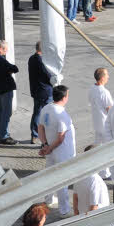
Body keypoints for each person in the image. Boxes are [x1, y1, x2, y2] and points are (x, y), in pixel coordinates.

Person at [38, 85, 76, 216]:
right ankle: (64, 209)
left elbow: (40, 128)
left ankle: (48, 199)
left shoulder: (46, 108)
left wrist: (45, 145)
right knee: (62, 180)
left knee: (49, 175)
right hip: (62, 151)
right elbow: (61, 138)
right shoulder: (62, 115)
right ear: (64, 97)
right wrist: (49, 148)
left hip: (50, 150)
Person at [0, 40, 19, 145]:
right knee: (6, 113)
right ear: (1, 49)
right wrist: (9, 70)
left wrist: (8, 70)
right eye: (6, 49)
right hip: (6, 88)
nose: (7, 51)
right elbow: (15, 68)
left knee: (0, 111)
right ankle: (4, 136)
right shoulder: (1, 60)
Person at [88, 67, 114, 178]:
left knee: (98, 147)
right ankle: (105, 172)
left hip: (96, 122)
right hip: (105, 124)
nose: (108, 77)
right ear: (102, 78)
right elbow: (110, 109)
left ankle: (98, 168)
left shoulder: (92, 89)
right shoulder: (104, 92)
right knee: (107, 149)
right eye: (107, 75)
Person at [72, 146, 111, 215]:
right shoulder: (95, 180)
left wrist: (76, 216)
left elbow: (75, 198)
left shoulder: (79, 176)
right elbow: (94, 206)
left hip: (82, 216)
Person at [28, 41, 53, 144]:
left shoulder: (32, 58)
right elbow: (48, 76)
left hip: (36, 90)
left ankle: (34, 134)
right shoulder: (42, 61)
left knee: (37, 113)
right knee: (46, 115)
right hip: (45, 91)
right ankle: (45, 137)